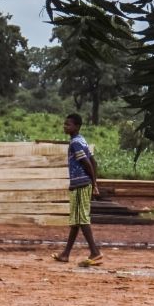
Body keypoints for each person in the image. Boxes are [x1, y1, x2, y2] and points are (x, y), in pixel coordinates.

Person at [54, 113, 101, 264]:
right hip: (79, 184)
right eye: (65, 124)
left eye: (68, 124)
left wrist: (93, 184)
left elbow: (87, 163)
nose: (65, 126)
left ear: (77, 126)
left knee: (82, 219)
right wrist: (94, 183)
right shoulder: (82, 140)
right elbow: (94, 162)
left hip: (81, 184)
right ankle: (65, 254)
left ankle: (95, 252)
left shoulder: (75, 143)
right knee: (75, 221)